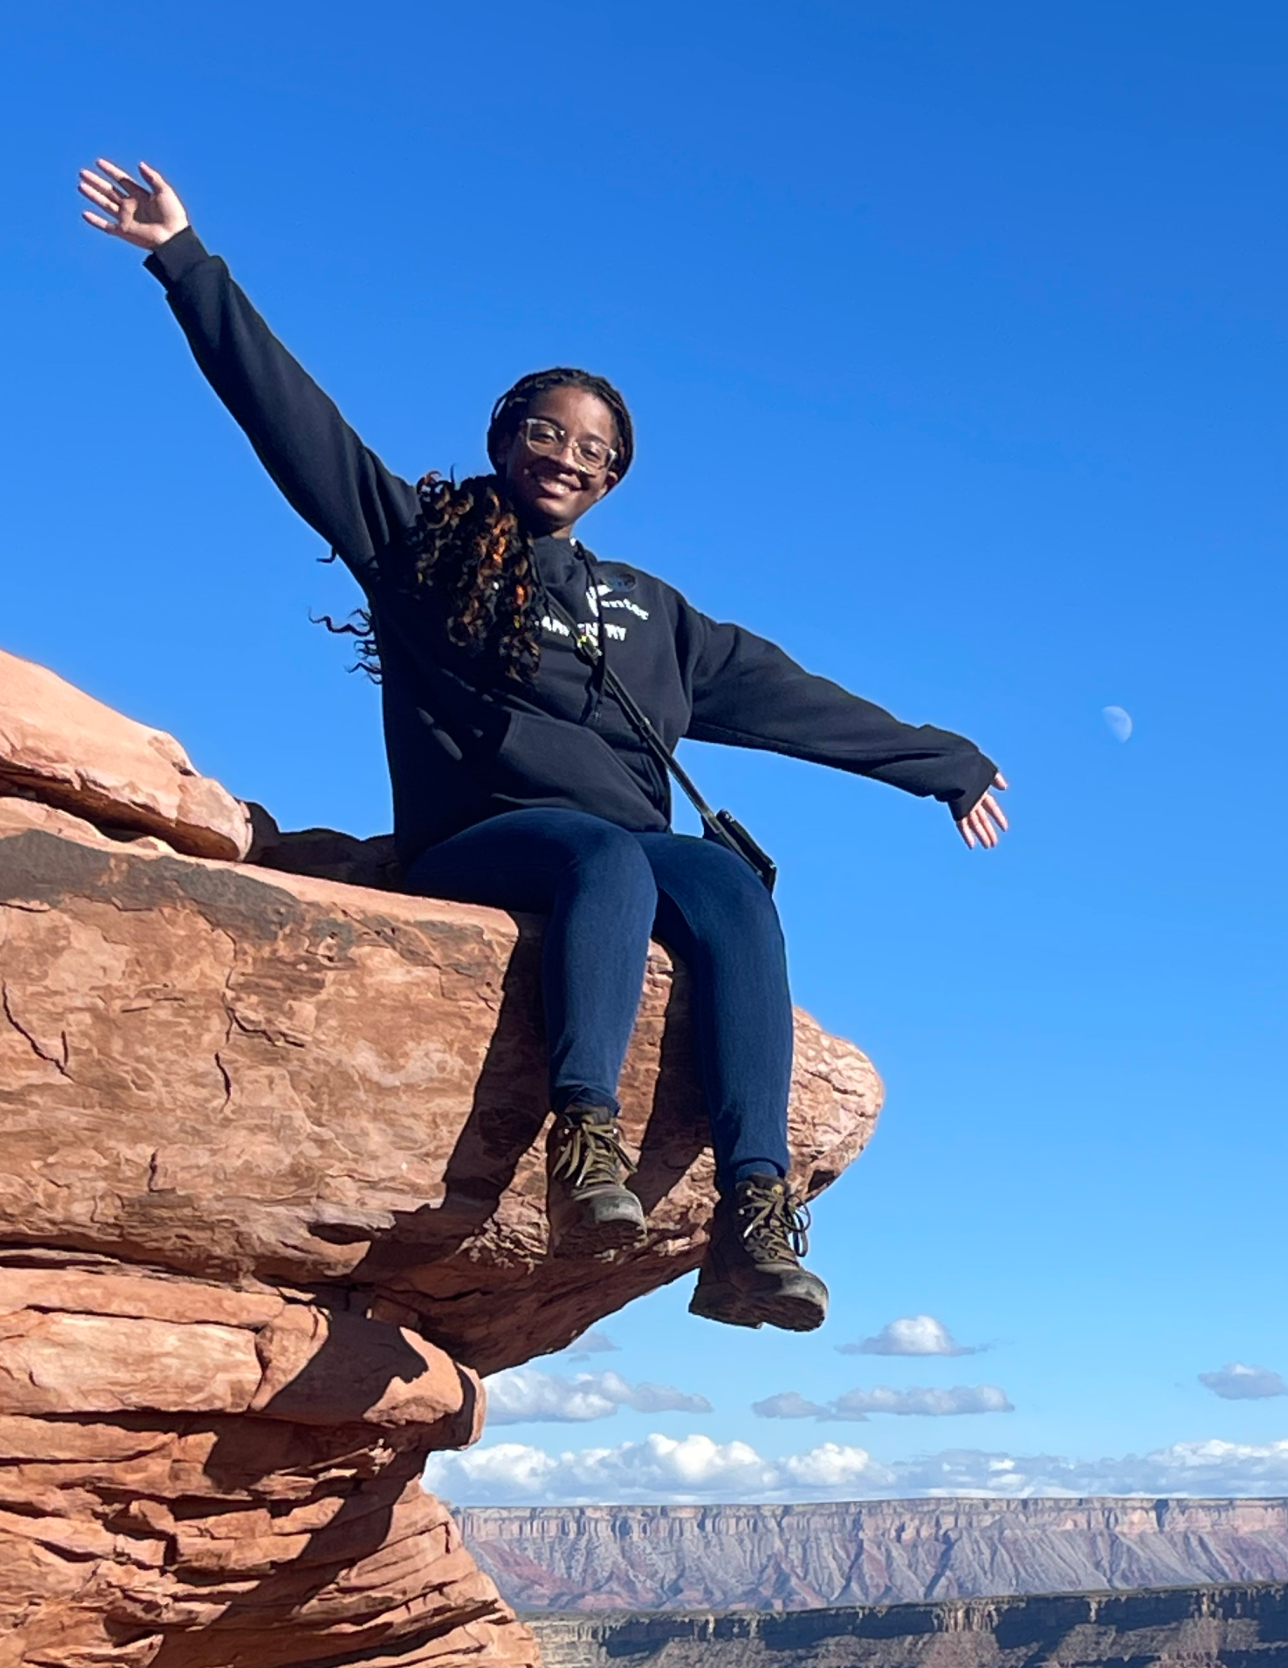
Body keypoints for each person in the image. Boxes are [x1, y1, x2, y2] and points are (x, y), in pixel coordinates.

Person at [78, 158, 1009, 1335]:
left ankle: (751, 1220)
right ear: (504, 437)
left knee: (727, 887)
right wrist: (184, 259)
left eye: (593, 449)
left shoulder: (649, 612)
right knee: (602, 859)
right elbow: (292, 424)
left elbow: (786, 698)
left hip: (625, 848)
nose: (566, 455)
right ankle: (583, 1144)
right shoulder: (422, 544)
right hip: (482, 839)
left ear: (612, 478)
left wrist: (943, 766)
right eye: (546, 431)